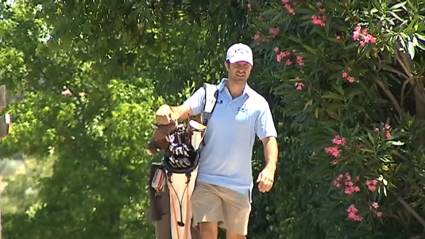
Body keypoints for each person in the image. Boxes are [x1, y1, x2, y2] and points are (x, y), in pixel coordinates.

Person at [155, 43, 278, 239]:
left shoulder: (258, 104)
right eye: (237, 64)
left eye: (246, 65)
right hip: (207, 179)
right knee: (208, 232)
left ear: (251, 68)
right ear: (227, 65)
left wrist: (270, 168)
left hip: (239, 184)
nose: (241, 69)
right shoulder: (208, 94)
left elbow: (269, 138)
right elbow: (181, 110)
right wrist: (166, 110)